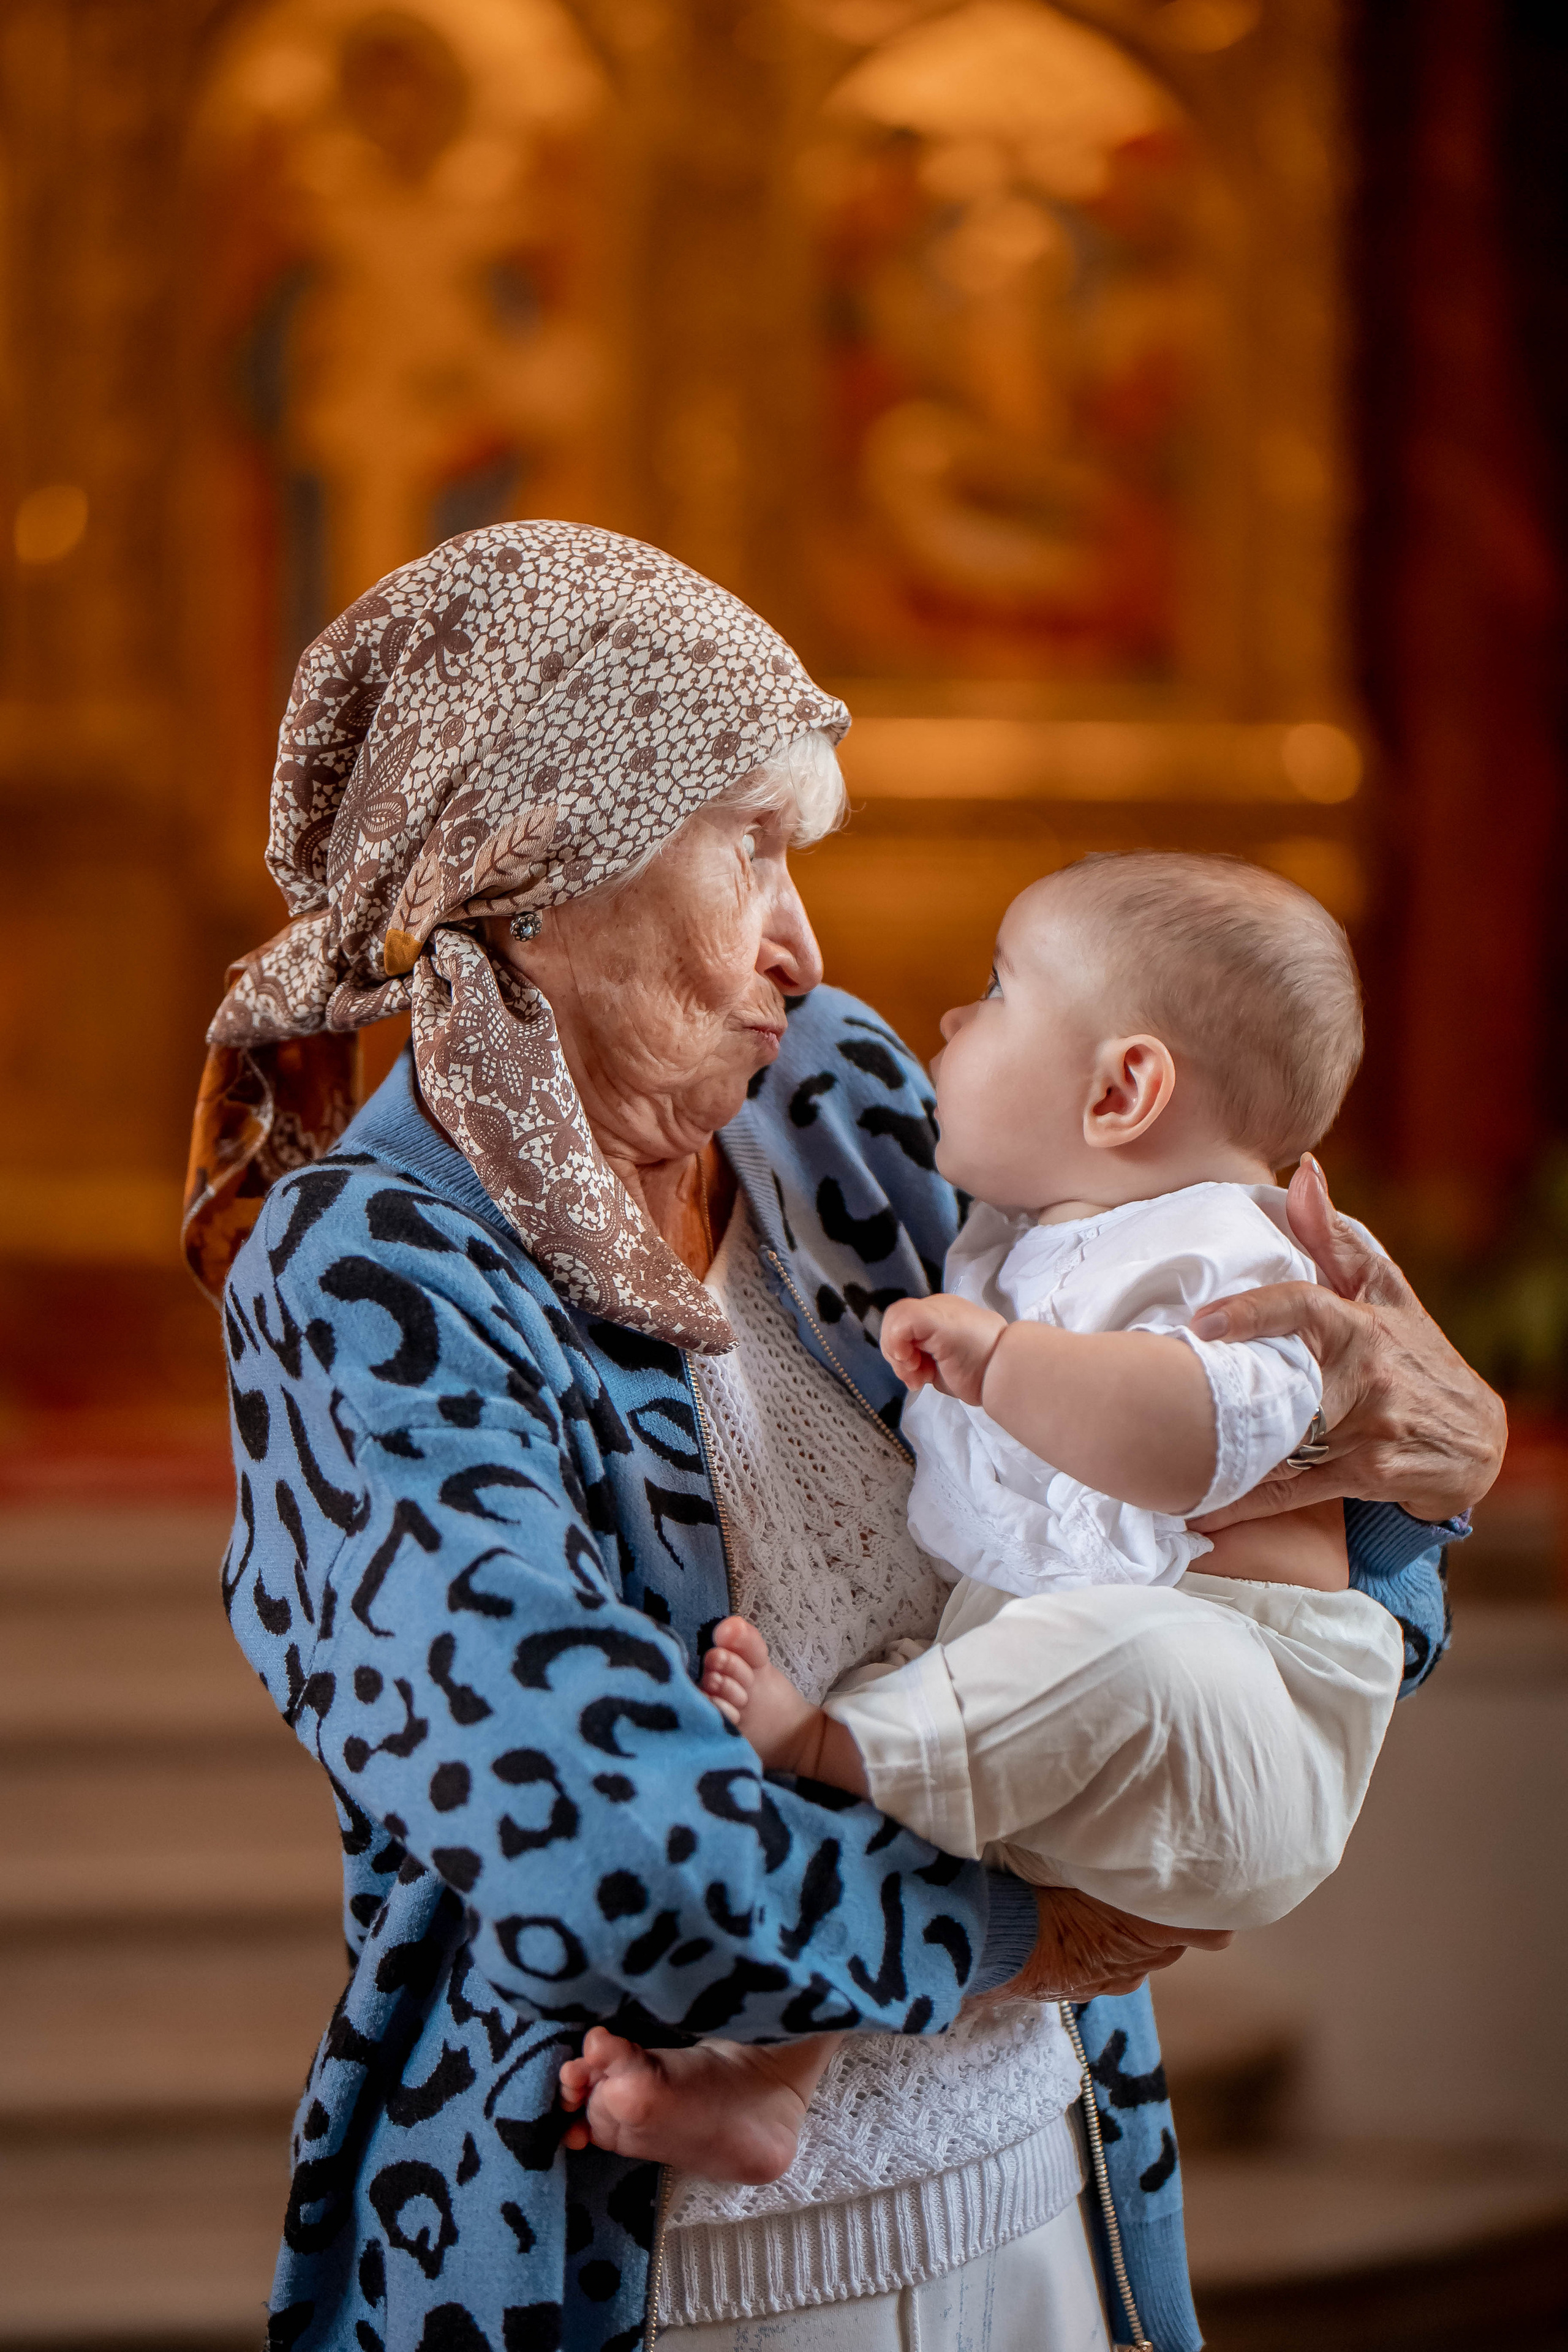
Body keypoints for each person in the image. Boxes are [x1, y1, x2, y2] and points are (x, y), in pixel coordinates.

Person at [186, 521, 1501, 2352]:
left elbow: (1262, 1480)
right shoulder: (371, 1272)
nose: (804, 943)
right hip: (648, 2271)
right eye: (752, 847)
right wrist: (1029, 1932)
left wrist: (1407, 1489)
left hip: (1051, 2192)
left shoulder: (836, 1098)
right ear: (539, 868)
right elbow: (605, 1855)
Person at [557, 852, 1411, 2185]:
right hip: (1052, 1706)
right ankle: (768, 2084)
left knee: (1093, 1665)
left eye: (996, 994)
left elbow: (1206, 1427)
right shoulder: (1014, 1236)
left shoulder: (1226, 1249)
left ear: (1120, 1089)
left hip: (1238, 1705)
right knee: (910, 1750)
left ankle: (837, 1741)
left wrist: (1007, 1366)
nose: (948, 1028)